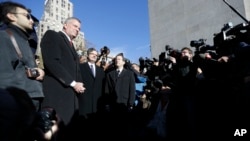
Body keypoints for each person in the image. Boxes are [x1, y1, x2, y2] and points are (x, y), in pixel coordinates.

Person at [40, 17, 85, 127]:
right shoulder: (53, 35)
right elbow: (52, 62)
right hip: (57, 96)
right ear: (65, 25)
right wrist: (74, 84)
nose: (77, 30)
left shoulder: (72, 46)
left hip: (71, 98)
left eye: (79, 28)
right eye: (75, 26)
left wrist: (80, 85)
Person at [0, 1, 44, 111]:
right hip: (18, 103)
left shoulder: (24, 40)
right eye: (27, 16)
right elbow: (3, 77)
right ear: (11, 16)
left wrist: (38, 72)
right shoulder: (4, 38)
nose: (31, 20)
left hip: (31, 99)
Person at [104, 53, 136, 138]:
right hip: (113, 104)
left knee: (125, 127)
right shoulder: (109, 74)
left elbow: (132, 90)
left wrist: (131, 104)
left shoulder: (129, 74)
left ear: (123, 62)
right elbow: (107, 90)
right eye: (115, 59)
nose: (116, 60)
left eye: (119, 59)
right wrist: (107, 103)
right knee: (114, 127)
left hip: (124, 103)